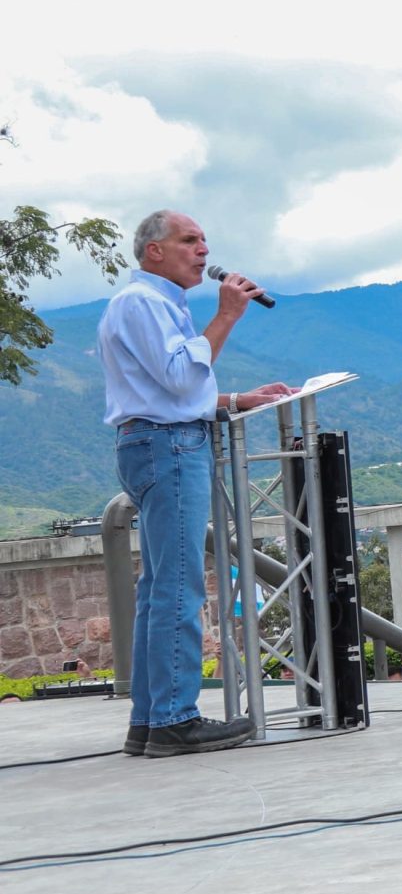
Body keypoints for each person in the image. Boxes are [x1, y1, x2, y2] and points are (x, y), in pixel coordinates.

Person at [98, 210, 293, 758]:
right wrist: (227, 315)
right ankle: (173, 718)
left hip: (159, 440)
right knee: (177, 586)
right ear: (154, 251)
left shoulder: (158, 305)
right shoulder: (143, 303)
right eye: (189, 240)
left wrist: (234, 400)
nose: (203, 251)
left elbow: (171, 389)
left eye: (205, 240)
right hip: (167, 447)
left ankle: (149, 720)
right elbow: (181, 377)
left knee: (160, 585)